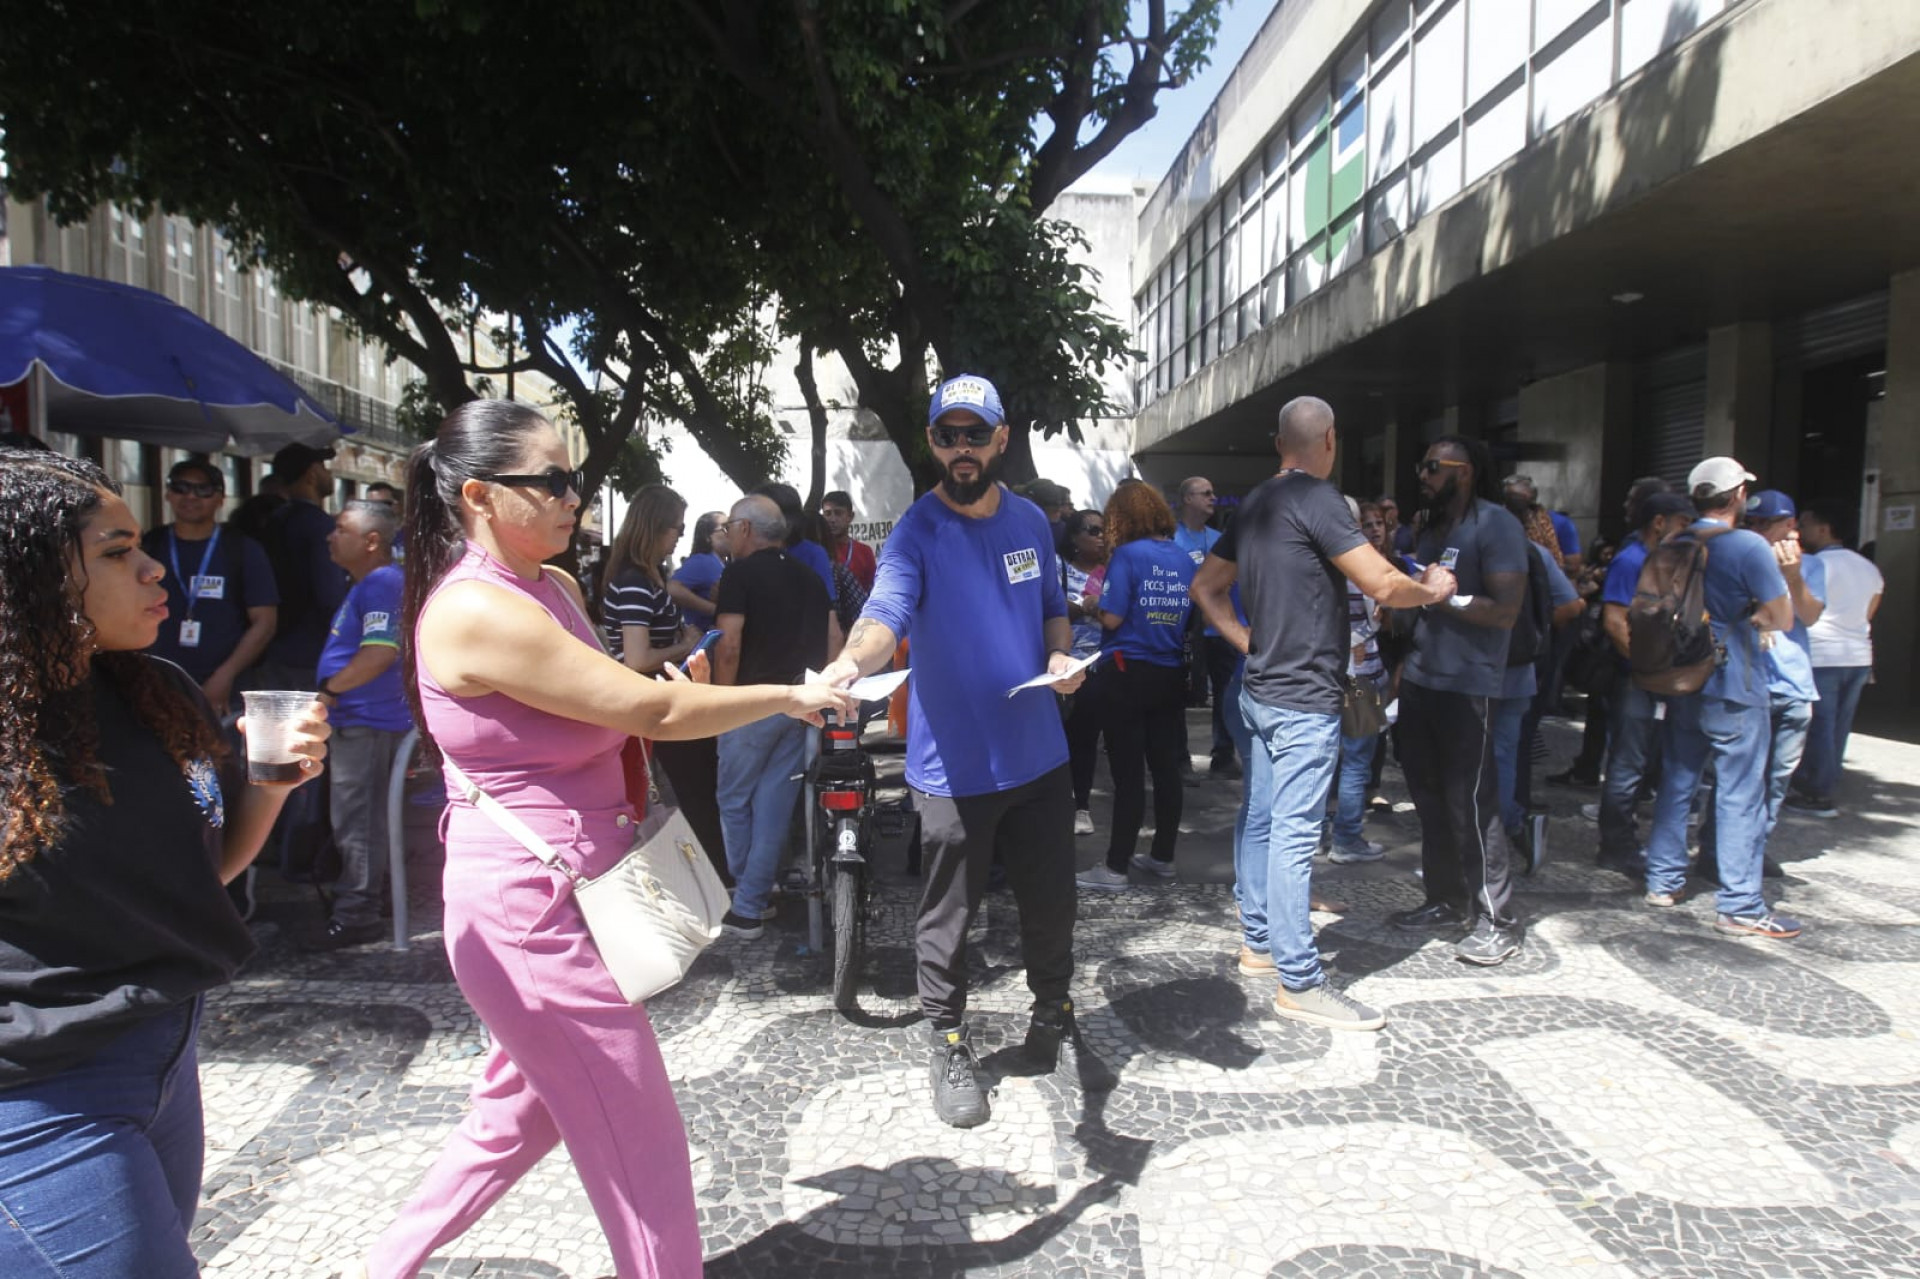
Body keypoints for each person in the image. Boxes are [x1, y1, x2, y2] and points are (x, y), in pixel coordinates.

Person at [362, 402, 851, 1277]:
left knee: (515, 1117)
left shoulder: (551, 585)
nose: (573, 499)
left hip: (587, 883)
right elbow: (650, 712)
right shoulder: (474, 606)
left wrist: (678, 682)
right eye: (550, 482)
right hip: (532, 910)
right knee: (642, 1147)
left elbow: (618, 700)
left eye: (574, 480)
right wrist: (783, 695)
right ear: (478, 494)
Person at [0, 452, 328, 1279]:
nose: (151, 566)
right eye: (114, 552)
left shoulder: (157, 691)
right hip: (42, 1096)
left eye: (138, 545)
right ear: (29, 576)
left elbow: (205, 869)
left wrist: (275, 779)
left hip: (169, 1054)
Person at [817, 372, 1098, 1130]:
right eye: (949, 434)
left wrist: (1063, 659)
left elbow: (1050, 611)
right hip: (953, 771)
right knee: (948, 916)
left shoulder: (1033, 524)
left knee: (1052, 904)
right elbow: (884, 615)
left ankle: (1053, 1008)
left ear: (1002, 437)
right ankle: (945, 1039)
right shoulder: (916, 531)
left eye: (977, 433)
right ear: (934, 443)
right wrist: (851, 665)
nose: (963, 448)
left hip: (1040, 754)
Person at [1190, 397, 1455, 1029]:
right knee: (1292, 834)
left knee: (1259, 819)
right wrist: (1434, 589)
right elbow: (1384, 585)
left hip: (1257, 692)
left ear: (1278, 441)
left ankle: (1258, 943)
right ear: (1330, 439)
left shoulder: (1254, 501)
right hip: (1302, 700)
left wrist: (1247, 642)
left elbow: (1206, 587)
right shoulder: (1320, 502)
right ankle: (1299, 980)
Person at [1390, 436, 1530, 967]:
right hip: (1424, 680)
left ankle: (1499, 920)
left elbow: (1505, 611)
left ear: (1464, 471)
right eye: (1420, 464)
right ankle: (1447, 901)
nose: (1422, 475)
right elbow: (1421, 598)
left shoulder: (1496, 525)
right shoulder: (1433, 528)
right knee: (1427, 797)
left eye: (1432, 466)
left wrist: (1450, 596)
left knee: (1471, 801)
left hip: (1469, 685)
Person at [1642, 458, 1797, 938]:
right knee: (1740, 793)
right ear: (1735, 496)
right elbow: (1783, 617)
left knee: (1678, 781)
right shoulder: (1748, 545)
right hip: (1734, 682)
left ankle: (1663, 881)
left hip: (1682, 679)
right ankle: (1741, 905)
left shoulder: (1673, 542)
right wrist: (1756, 615)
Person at [711, 494, 837, 938]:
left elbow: (728, 645)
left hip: (750, 703)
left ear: (745, 529)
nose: (725, 536)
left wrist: (718, 704)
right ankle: (754, 898)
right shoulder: (808, 576)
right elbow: (834, 638)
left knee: (734, 800)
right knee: (771, 806)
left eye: (728, 527)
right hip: (802, 703)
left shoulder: (738, 574)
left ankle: (751, 899)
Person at [1693, 490, 1823, 888]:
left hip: (1793, 684)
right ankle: (1721, 855)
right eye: (1758, 523)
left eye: (1776, 524)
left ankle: (1751, 850)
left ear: (1792, 527)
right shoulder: (1740, 554)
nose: (1767, 532)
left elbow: (1809, 615)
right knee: (1733, 779)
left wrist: (1793, 576)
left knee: (1776, 779)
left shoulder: (1810, 565)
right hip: (1748, 681)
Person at [1075, 484, 1194, 889]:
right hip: (1170, 671)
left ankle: (1115, 867)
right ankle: (1163, 856)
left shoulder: (1127, 556)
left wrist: (1091, 605)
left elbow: (1111, 619)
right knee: (1165, 768)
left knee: (1127, 774)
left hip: (1127, 671)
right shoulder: (1182, 558)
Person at [307, 500, 412, 950]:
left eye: (340, 528)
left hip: (368, 721)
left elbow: (380, 651)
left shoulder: (383, 582)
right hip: (361, 720)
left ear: (372, 541)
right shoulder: (370, 584)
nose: (331, 536)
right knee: (360, 819)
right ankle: (367, 900)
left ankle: (357, 915)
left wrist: (329, 690)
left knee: (358, 821)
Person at [1591, 488, 1696, 874]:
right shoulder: (1631, 559)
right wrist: (1645, 667)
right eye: (1682, 523)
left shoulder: (1668, 559)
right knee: (1628, 762)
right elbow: (1615, 621)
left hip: (1662, 676)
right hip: (1637, 677)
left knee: (1651, 761)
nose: (1688, 531)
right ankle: (1615, 843)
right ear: (1659, 522)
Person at [142, 458, 280, 717]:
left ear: (220, 498)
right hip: (159, 683)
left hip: (224, 689)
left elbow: (265, 622)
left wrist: (225, 676)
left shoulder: (242, 549)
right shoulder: (149, 545)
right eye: (181, 487)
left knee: (220, 757)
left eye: (203, 489)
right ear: (168, 494)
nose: (191, 496)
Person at [1791, 505, 1884, 817]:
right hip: (1857, 655)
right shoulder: (1870, 569)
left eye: (1805, 524)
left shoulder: (1813, 565)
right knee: (1838, 726)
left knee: (1819, 724)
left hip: (1822, 653)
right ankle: (1824, 782)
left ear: (1823, 528)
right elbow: (1869, 612)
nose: (1799, 531)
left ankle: (1817, 793)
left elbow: (1800, 609)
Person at [259, 441, 348, 685]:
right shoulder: (319, 525)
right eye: (323, 467)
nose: (328, 473)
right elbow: (331, 596)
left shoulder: (273, 520)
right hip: (311, 653)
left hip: (274, 649)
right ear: (311, 474)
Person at [1173, 476, 1239, 778]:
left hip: (1220, 629)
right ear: (1188, 499)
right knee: (1181, 693)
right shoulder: (1171, 538)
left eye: (1214, 493)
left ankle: (1223, 755)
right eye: (1206, 494)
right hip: (1184, 629)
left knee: (1226, 694)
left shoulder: (1220, 539)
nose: (1213, 498)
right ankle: (1179, 757)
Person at [1061, 508, 1109, 836]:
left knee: (1086, 740)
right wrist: (1085, 607)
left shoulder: (1113, 570)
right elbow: (1050, 607)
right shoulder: (1059, 569)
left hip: (1100, 667)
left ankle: (1081, 805)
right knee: (1057, 738)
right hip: (1062, 665)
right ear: (1075, 537)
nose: (1100, 535)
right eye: (1092, 530)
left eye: (1104, 530)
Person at [668, 509, 729, 632]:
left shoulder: (725, 563)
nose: (731, 533)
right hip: (704, 640)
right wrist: (713, 609)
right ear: (707, 537)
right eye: (725, 528)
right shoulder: (702, 561)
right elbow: (672, 589)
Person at [820, 489, 877, 593]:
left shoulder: (865, 552)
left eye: (838, 513)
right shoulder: (817, 551)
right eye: (828, 514)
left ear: (850, 516)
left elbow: (873, 591)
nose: (832, 519)